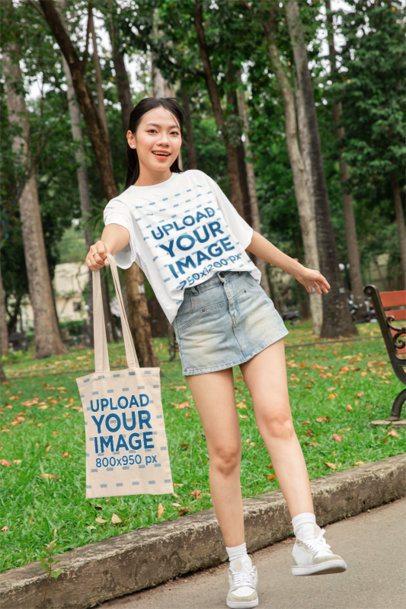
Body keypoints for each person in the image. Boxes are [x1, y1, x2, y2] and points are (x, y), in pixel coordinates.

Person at [85, 97, 347, 609]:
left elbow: (243, 235)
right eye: (154, 131)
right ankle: (240, 566)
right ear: (132, 139)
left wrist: (297, 268)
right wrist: (101, 246)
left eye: (174, 132)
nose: (165, 141)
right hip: (197, 320)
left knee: (278, 421)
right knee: (225, 451)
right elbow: (116, 236)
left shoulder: (200, 182)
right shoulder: (124, 206)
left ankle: (308, 537)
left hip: (248, 301)